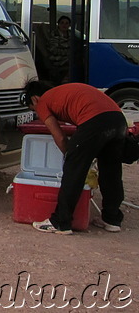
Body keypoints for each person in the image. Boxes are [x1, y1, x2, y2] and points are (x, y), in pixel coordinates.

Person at [22, 80, 126, 234]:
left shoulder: (43, 101)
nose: (38, 113)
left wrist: (71, 156)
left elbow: (61, 137)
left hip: (94, 120)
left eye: (34, 109)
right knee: (111, 171)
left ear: (35, 99)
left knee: (73, 171)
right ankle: (111, 219)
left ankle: (60, 222)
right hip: (118, 120)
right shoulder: (63, 92)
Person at [46, 16, 71, 85]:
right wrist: (67, 52)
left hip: (68, 59)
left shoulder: (71, 34)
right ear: (58, 24)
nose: (64, 25)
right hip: (57, 60)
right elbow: (53, 50)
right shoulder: (54, 35)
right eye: (62, 23)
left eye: (66, 23)